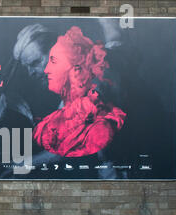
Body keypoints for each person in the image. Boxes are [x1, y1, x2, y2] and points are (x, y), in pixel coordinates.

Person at [33, 26, 126, 158]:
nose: (31, 72)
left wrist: (17, 165)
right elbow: (116, 41)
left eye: (35, 63)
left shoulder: (88, 90)